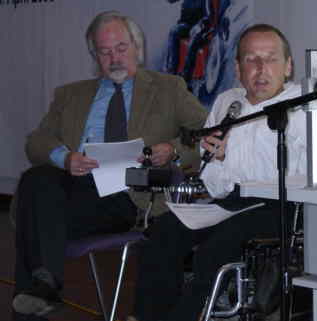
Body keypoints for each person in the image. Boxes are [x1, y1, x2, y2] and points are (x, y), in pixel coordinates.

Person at [128, 24, 317, 321]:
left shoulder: (303, 103)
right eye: (251, 59)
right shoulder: (227, 103)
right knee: (163, 233)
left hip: (283, 205)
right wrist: (219, 159)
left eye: (271, 58)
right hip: (231, 202)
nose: (261, 68)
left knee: (216, 248)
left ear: (288, 66)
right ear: (238, 68)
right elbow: (214, 185)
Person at [11, 10, 207, 321]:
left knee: (31, 214)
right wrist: (66, 158)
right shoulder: (71, 95)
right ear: (94, 56)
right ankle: (45, 283)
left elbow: (207, 134)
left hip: (131, 197)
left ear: (137, 47)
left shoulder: (168, 88)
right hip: (77, 193)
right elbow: (36, 141)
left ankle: (41, 291)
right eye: (104, 51)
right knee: (37, 179)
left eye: (121, 48)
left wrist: (173, 152)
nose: (114, 58)